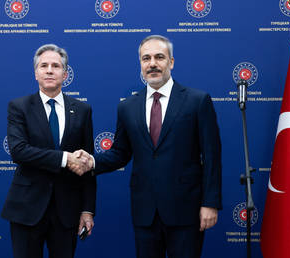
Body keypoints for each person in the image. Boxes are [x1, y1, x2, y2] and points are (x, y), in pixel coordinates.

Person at [73, 35, 222, 258]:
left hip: (186, 210)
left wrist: (210, 203)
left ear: (171, 62)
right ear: (140, 64)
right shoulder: (127, 107)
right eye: (146, 58)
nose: (152, 63)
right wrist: (92, 161)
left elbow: (212, 155)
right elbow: (120, 153)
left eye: (159, 57)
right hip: (145, 212)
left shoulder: (197, 101)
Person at [1, 44, 96, 258]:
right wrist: (64, 158)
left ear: (65, 73)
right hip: (27, 209)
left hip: (67, 211)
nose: (50, 70)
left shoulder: (82, 110)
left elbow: (88, 165)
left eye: (56, 65)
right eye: (44, 66)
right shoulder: (19, 107)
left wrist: (87, 209)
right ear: (36, 73)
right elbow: (19, 151)